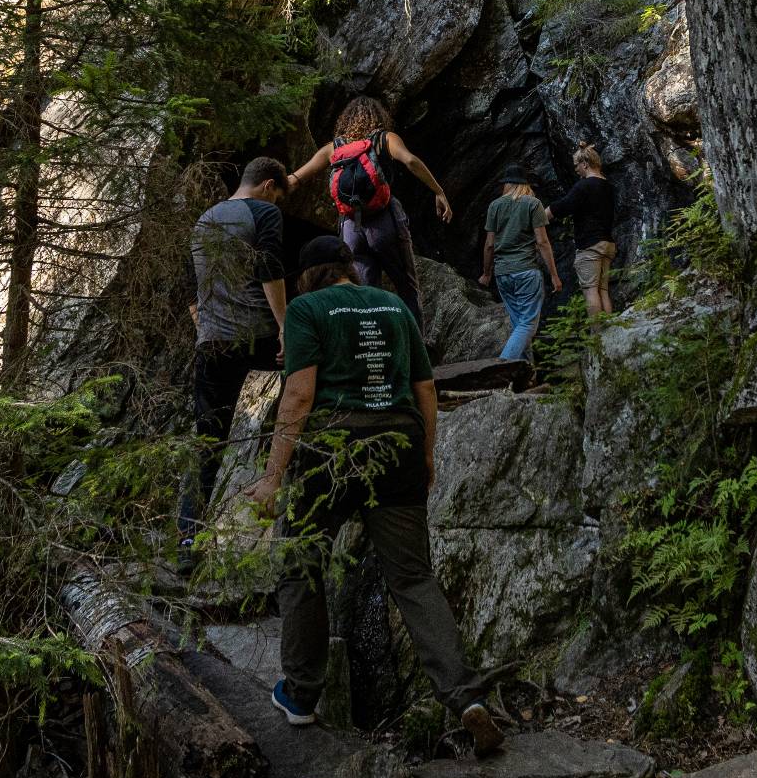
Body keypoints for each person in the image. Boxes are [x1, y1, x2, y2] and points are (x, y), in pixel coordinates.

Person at [244, 236, 503, 754]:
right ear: (346, 268)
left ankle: (301, 695)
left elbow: (299, 392)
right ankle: (465, 695)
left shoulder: (305, 310)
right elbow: (425, 389)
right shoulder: (394, 306)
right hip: (399, 443)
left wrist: (273, 476)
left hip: (332, 448)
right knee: (412, 577)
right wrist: (426, 456)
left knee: (302, 564)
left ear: (308, 275)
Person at [179, 156, 290, 566]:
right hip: (259, 337)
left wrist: (204, 327)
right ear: (267, 185)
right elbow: (269, 265)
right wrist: (284, 327)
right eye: (277, 195)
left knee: (207, 443)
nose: (277, 203)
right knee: (303, 402)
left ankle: (186, 547)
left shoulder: (203, 220)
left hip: (212, 343)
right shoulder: (263, 212)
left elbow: (190, 286)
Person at [286, 96, 452, 326]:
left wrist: (260, 192)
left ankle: (372, 348)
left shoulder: (333, 148)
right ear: (378, 116)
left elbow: (295, 180)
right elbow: (411, 161)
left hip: (351, 227)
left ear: (345, 120)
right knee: (406, 286)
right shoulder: (385, 139)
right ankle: (416, 351)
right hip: (385, 222)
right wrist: (439, 191)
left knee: (364, 291)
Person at [479, 165, 560, 361]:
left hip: (502, 274)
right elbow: (542, 242)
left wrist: (486, 273)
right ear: (526, 185)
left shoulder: (494, 206)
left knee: (519, 325)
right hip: (526, 272)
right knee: (527, 325)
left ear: (507, 184)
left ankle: (523, 375)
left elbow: (489, 244)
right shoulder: (533, 204)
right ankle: (503, 364)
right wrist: (554, 275)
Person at [546, 143, 617, 317]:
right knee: (603, 290)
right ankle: (610, 332)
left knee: (590, 291)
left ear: (585, 164)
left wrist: (542, 213)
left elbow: (564, 206)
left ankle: (596, 338)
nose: (576, 169)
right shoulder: (609, 187)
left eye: (576, 165)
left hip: (590, 246)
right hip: (607, 245)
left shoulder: (584, 185)